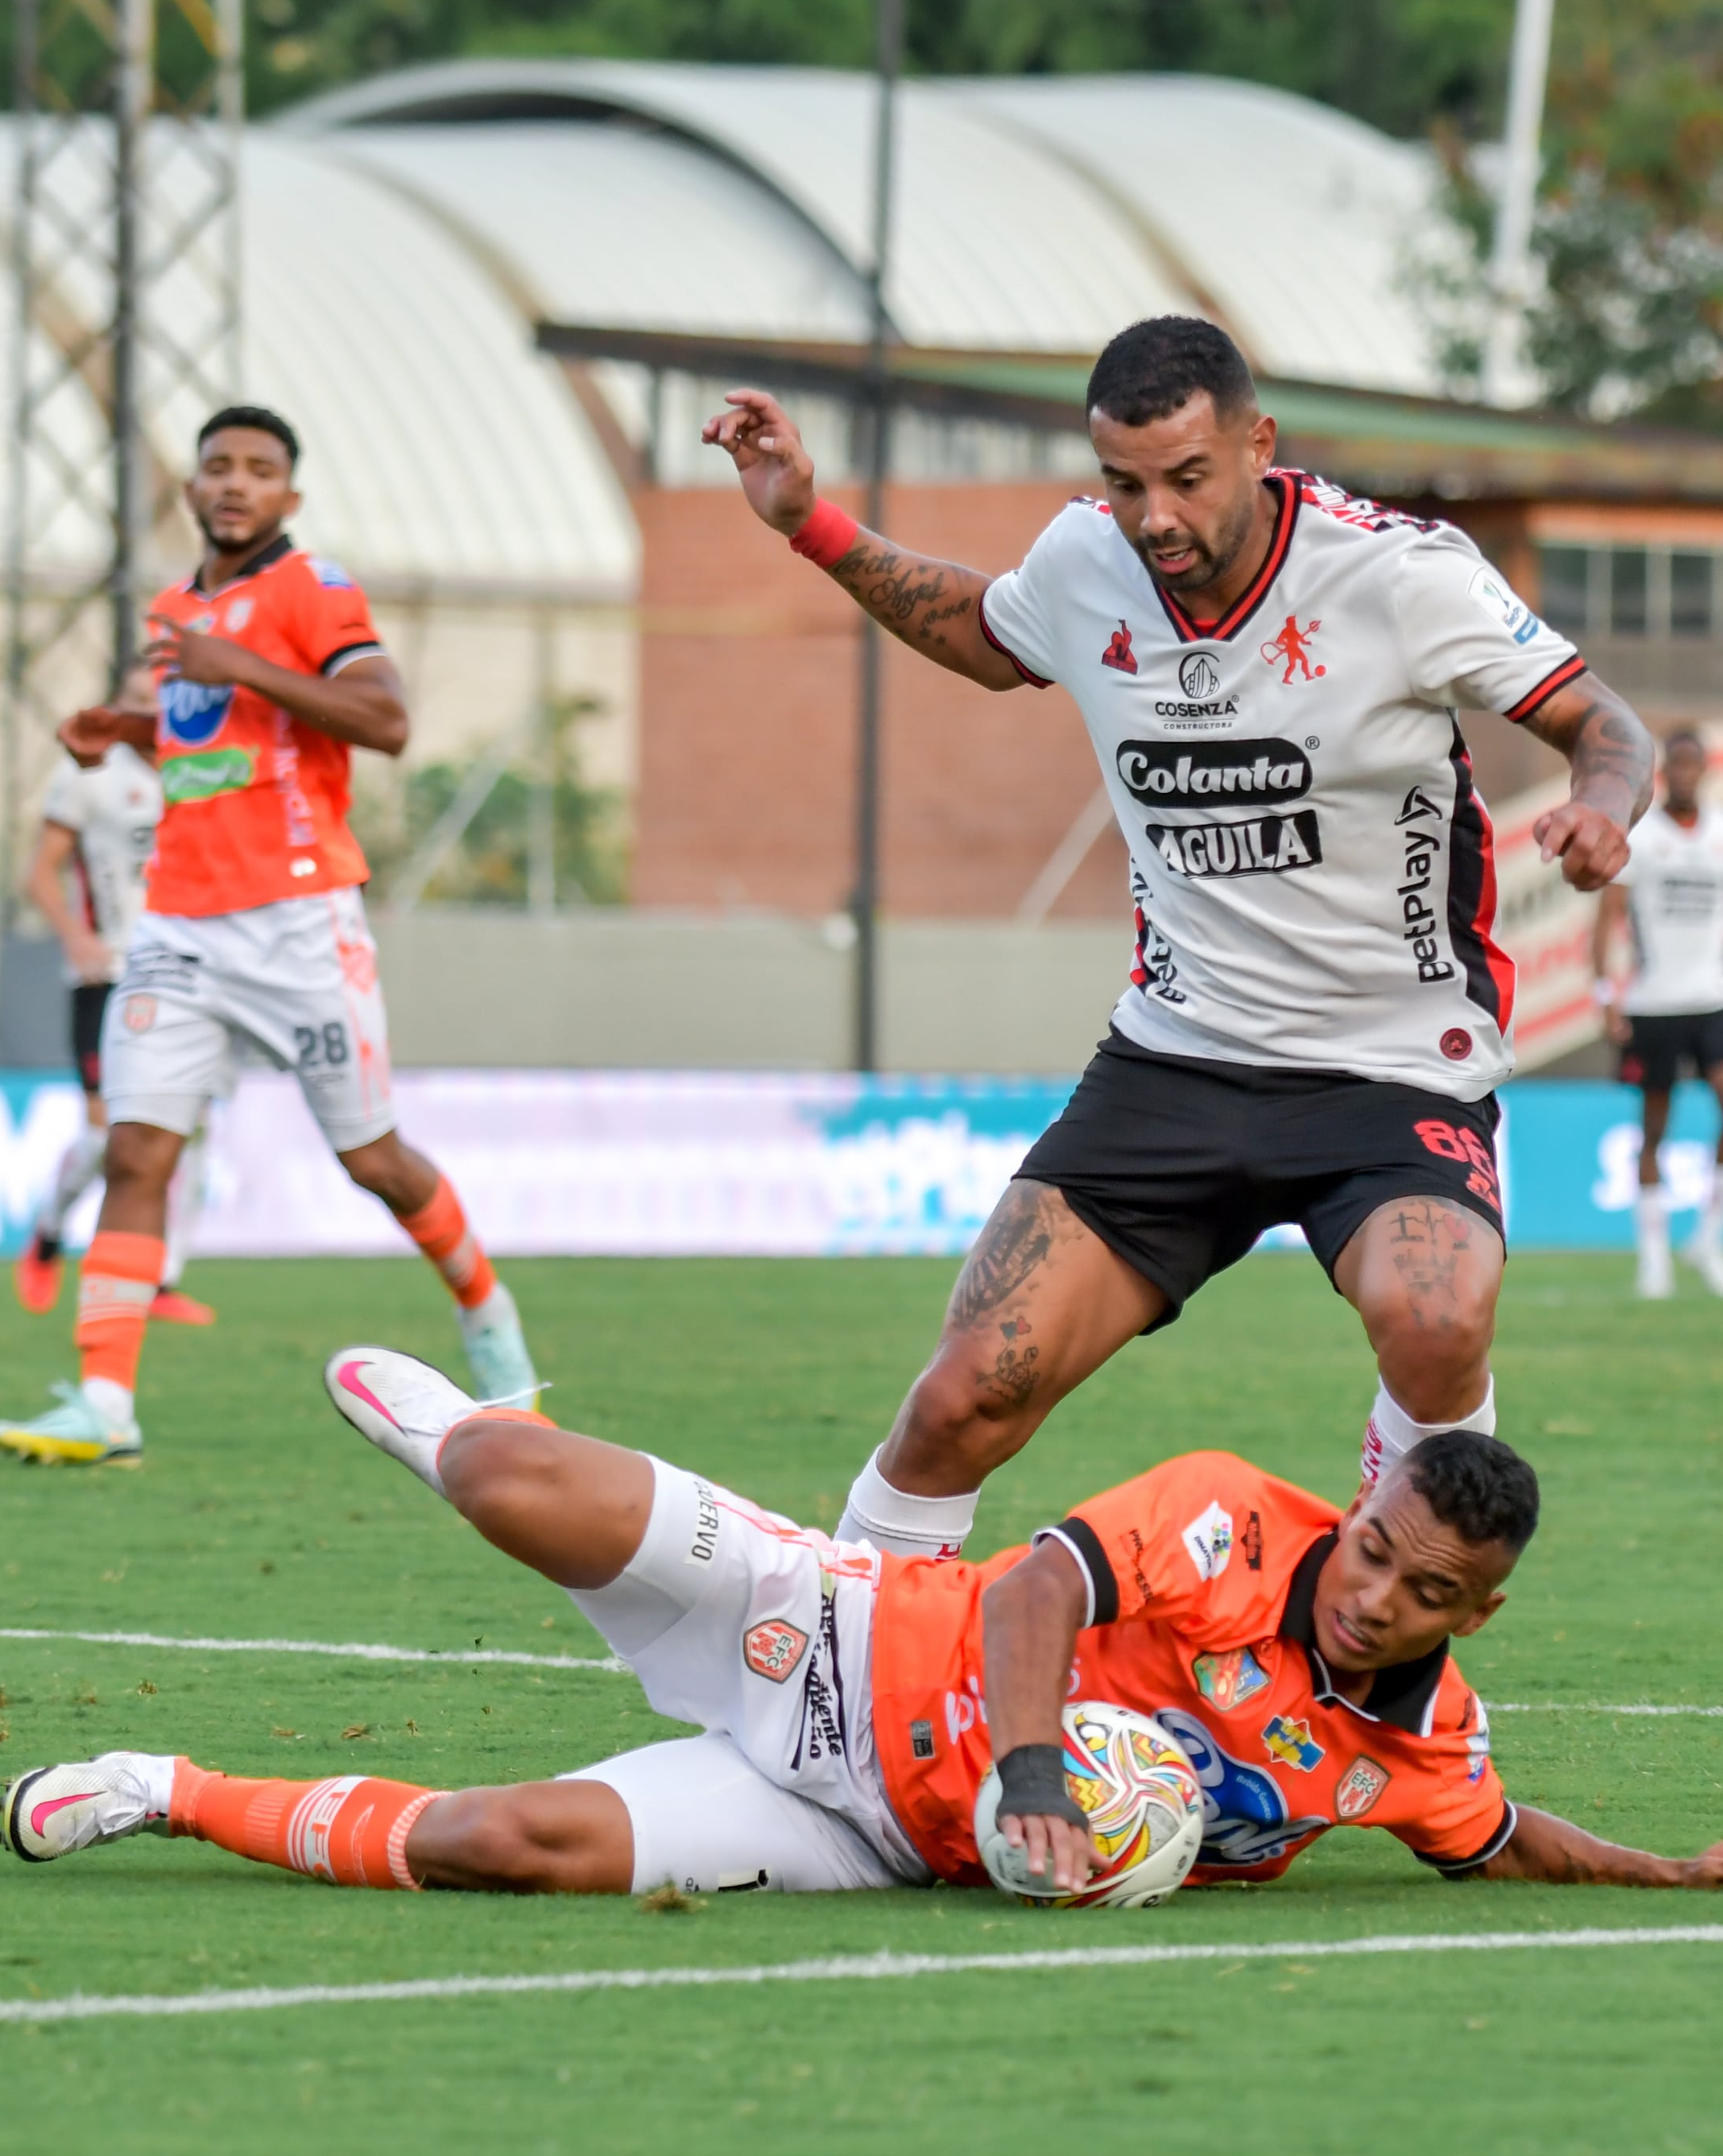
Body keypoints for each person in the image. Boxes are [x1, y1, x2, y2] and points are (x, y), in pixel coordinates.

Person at [699, 317, 1655, 1561]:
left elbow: (1607, 722)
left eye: (1187, 479)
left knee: (1437, 1317)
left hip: (1390, 1065)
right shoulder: (1086, 563)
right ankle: (841, 1684)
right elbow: (987, 635)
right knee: (960, 1397)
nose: (1154, 516)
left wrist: (1602, 804)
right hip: (1177, 1060)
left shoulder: (1400, 577)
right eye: (1124, 482)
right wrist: (809, 523)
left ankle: (1387, 1603)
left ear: (1258, 445)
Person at [0, 1345, 1723, 1902]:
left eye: (1421, 1590)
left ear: (1475, 1607)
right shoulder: (1226, 1513)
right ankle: (438, 1421)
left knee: (509, 1844)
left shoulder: (1413, 1742)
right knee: (512, 1489)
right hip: (852, 1629)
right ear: (1354, 1512)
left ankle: (168, 1786)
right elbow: (1040, 1582)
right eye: (1369, 1549)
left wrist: (1687, 1867)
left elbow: (1499, 1841)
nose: (1369, 1593)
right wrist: (1038, 1760)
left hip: (856, 1828)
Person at [0, 408, 536, 1466]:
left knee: (373, 1159)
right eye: (218, 467)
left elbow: (384, 721)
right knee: (138, 1146)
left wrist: (233, 662)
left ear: (288, 496)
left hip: (298, 923)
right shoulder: (179, 609)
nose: (236, 483)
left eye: (260, 470)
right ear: (190, 491)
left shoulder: (309, 588)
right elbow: (219, 746)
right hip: (179, 924)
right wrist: (131, 730)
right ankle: (105, 1402)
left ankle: (489, 1319)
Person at [9, 664, 211, 1328]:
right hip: (108, 976)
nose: (148, 713)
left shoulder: (204, 775)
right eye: (135, 701)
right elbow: (39, 870)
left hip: (184, 974)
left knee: (195, 1129)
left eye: (160, 701)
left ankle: (162, 1279)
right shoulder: (89, 778)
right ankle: (48, 1233)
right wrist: (75, 937)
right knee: (104, 1137)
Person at [1594, 726, 1723, 1303]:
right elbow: (1608, 918)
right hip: (1654, 1001)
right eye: (1673, 764)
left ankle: (1709, 1239)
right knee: (1654, 1127)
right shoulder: (1641, 837)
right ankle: (1653, 1257)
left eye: (1691, 764)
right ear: (1662, 773)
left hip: (1718, 997)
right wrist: (1607, 994)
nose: (1682, 773)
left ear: (1704, 769)